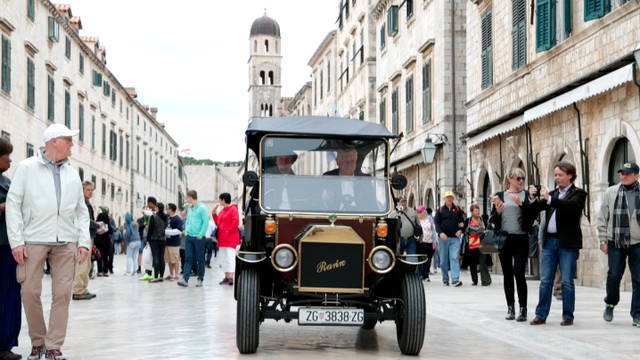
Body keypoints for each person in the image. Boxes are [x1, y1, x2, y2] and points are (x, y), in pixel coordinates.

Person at [7, 123, 90, 360]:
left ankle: (54, 346)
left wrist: (83, 242)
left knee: (62, 294)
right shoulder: (25, 168)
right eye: (68, 140)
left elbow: (81, 211)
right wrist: (17, 242)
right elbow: (13, 205)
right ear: (54, 141)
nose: (72, 145)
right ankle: (38, 341)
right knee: (30, 292)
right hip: (32, 239)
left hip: (66, 242)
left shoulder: (73, 174)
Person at [530, 161, 586, 326]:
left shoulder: (579, 193)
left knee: (567, 280)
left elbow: (569, 208)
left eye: (560, 175)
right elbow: (534, 209)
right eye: (555, 175)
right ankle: (541, 315)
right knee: (545, 279)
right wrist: (533, 198)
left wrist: (549, 199)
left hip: (567, 242)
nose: (557, 178)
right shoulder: (553, 194)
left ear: (570, 176)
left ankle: (568, 315)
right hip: (550, 241)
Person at [489, 167, 543, 322]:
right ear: (509, 179)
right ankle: (510, 308)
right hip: (504, 238)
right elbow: (491, 220)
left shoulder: (526, 195)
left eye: (522, 179)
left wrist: (521, 203)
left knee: (519, 273)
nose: (521, 182)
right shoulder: (500, 196)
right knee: (507, 274)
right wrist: (497, 212)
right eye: (518, 178)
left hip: (521, 238)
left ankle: (523, 309)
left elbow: (532, 216)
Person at [597, 162, 640, 327]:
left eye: (628, 174)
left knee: (639, 279)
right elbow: (602, 217)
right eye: (622, 173)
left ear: (636, 176)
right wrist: (603, 239)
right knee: (614, 275)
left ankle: (637, 314)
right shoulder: (611, 192)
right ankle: (610, 303)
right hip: (616, 241)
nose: (624, 176)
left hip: (638, 243)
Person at [0, 138, 21, 360]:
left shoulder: (7, 181)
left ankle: (6, 343)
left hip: (9, 245)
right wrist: (7, 206)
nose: (10, 159)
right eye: (7, 155)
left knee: (10, 296)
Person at [72, 181, 99, 300]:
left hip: (88, 236)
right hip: (83, 237)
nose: (90, 192)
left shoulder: (87, 204)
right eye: (88, 189)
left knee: (87, 265)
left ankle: (83, 288)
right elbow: (85, 220)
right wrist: (98, 225)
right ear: (82, 190)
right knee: (82, 264)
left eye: (91, 190)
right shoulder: (80, 203)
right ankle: (78, 290)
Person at [178, 190, 210, 287]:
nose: (187, 200)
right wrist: (187, 231)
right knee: (188, 258)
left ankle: (200, 278)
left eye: (187, 198)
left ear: (191, 197)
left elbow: (206, 222)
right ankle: (185, 279)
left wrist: (201, 234)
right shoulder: (190, 209)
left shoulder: (202, 208)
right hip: (189, 237)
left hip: (198, 238)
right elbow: (188, 222)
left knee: (200, 259)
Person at [434, 191, 465, 287]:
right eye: (447, 197)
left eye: (451, 197)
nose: (449, 199)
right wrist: (440, 233)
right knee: (443, 260)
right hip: (443, 238)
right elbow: (437, 224)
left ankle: (455, 279)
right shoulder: (440, 210)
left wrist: (460, 230)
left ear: (453, 199)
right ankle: (445, 278)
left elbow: (461, 222)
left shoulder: (457, 209)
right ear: (444, 199)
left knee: (454, 257)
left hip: (455, 238)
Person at [213, 192, 240, 286]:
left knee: (230, 258)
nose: (219, 201)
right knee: (223, 259)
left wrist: (227, 231)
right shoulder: (223, 211)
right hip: (222, 239)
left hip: (230, 238)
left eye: (220, 200)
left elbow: (235, 222)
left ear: (223, 200)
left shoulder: (233, 209)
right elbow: (218, 222)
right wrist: (214, 213)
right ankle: (227, 276)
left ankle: (231, 276)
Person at [464, 204, 492, 286]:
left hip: (482, 243)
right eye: (475, 211)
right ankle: (474, 280)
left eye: (478, 210)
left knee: (483, 261)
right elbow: (465, 231)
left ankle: (485, 280)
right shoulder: (468, 220)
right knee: (473, 263)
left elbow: (487, 228)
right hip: (472, 244)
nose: (477, 212)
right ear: (472, 212)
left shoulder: (483, 219)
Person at [147, 202, 168, 283]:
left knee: (155, 257)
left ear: (158, 208)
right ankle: (161, 276)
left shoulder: (154, 217)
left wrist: (148, 240)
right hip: (163, 239)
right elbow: (165, 227)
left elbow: (150, 229)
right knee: (161, 257)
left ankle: (155, 276)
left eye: (155, 207)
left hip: (154, 239)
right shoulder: (166, 217)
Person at [416, 205, 437, 281]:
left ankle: (426, 275)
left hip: (430, 242)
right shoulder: (417, 220)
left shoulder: (429, 219)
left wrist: (436, 241)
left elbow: (434, 229)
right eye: (417, 212)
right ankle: (419, 274)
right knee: (420, 259)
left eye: (420, 212)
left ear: (424, 212)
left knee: (428, 259)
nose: (418, 213)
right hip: (420, 242)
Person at [164, 203, 183, 280]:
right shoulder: (167, 218)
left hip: (174, 243)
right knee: (169, 260)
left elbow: (179, 230)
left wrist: (167, 232)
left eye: (168, 208)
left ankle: (176, 275)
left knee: (175, 259)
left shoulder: (177, 219)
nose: (167, 210)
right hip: (167, 242)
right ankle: (171, 274)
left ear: (171, 209)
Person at [94, 207, 113, 277]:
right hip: (106, 241)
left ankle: (99, 271)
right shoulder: (107, 225)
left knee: (99, 256)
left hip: (98, 241)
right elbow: (111, 231)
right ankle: (105, 271)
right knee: (105, 257)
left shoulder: (97, 224)